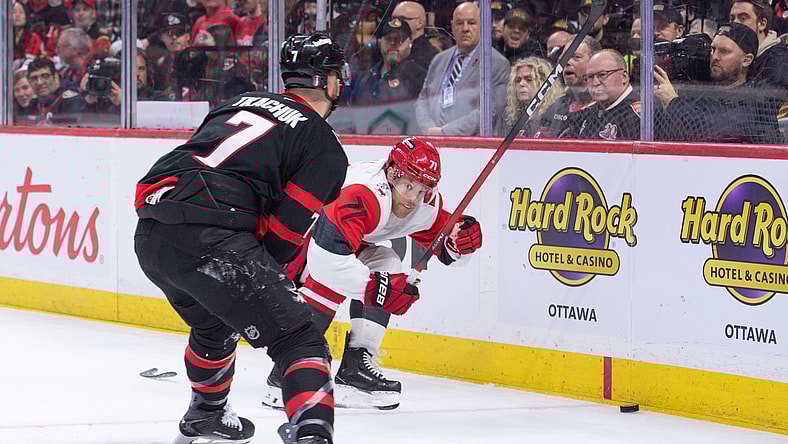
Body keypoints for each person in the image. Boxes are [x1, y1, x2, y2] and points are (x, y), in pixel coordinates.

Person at [133, 33, 351, 444]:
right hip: (212, 234)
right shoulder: (324, 144)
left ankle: (206, 413)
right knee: (299, 336)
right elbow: (286, 235)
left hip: (152, 233)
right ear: (327, 80)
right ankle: (313, 434)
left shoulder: (240, 101)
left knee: (215, 323)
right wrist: (272, 291)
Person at [262, 136, 482, 410]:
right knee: (333, 281)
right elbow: (326, 262)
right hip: (298, 242)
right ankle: (288, 374)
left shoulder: (423, 202)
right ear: (392, 173)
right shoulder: (361, 194)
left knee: (386, 262)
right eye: (408, 186)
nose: (413, 198)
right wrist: (380, 290)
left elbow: (445, 246)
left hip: (338, 246)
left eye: (422, 189)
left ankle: (355, 370)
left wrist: (460, 243)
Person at [654, 23, 782, 144]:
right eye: (713, 49)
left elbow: (711, 131)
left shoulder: (757, 103)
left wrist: (673, 102)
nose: (714, 57)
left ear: (746, 60)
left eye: (724, 51)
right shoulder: (703, 94)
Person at [415, 2, 509, 136]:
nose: (465, 28)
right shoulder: (438, 60)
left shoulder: (497, 63)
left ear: (483, 26)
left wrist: (445, 132)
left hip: (471, 148)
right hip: (433, 141)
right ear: (452, 26)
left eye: (471, 23)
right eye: (459, 23)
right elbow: (423, 100)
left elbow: (489, 112)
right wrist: (429, 129)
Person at [346, 18, 426, 110]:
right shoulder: (366, 77)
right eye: (388, 38)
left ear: (410, 43)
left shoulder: (418, 77)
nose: (392, 43)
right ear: (380, 42)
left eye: (399, 39)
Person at [729, 0, 788, 118]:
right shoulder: (731, 54)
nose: (735, 24)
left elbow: (765, 108)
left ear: (762, 23)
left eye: (743, 18)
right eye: (732, 18)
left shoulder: (778, 61)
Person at [566, 49, 641, 141]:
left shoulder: (643, 114)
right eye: (590, 77)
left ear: (624, 77)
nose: (595, 82)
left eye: (602, 75)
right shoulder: (585, 114)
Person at [536, 35, 601, 138]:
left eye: (576, 57)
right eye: (564, 58)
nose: (567, 62)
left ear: (595, 62)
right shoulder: (552, 105)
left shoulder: (607, 107)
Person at [495, 57, 561, 137]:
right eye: (518, 80)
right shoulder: (510, 116)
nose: (521, 84)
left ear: (543, 82)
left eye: (529, 79)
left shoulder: (556, 111)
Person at [392, 1, 439, 72]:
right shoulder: (388, 49)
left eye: (400, 19)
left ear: (419, 23)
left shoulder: (432, 57)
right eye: (392, 20)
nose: (393, 25)